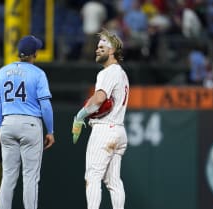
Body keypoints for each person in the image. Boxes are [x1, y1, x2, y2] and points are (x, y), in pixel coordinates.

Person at [0, 35, 55, 209]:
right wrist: (50, 130)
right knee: (30, 177)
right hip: (30, 124)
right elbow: (46, 105)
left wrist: (1, 128)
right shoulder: (38, 73)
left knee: (8, 176)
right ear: (34, 54)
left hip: (7, 124)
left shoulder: (2, 71)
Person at [71, 29, 129, 209]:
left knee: (92, 177)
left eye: (102, 46)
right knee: (113, 181)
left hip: (105, 130)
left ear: (112, 51)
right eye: (97, 46)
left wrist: (80, 116)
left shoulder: (108, 72)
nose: (97, 49)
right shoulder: (122, 73)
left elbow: (99, 99)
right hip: (119, 130)